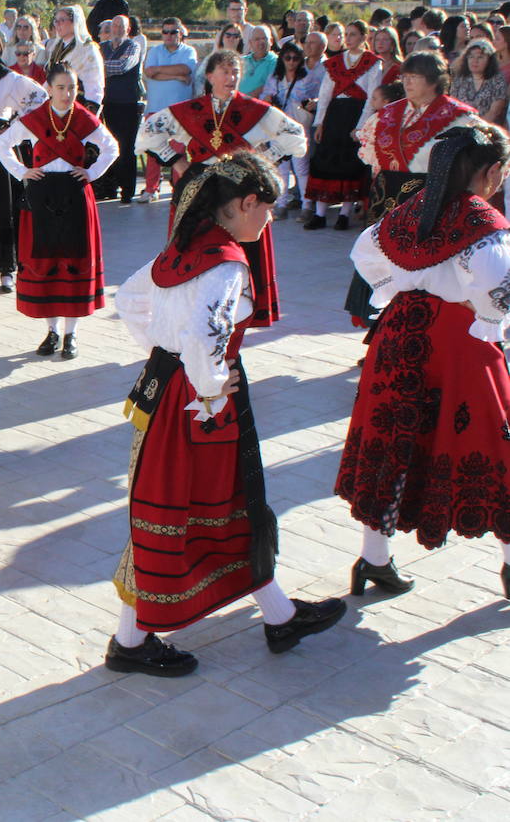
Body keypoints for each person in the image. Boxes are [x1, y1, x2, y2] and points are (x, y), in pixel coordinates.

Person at [108, 154, 346, 677]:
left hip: (165, 390)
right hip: (200, 404)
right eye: (268, 207)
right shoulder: (227, 262)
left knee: (205, 506)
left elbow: (128, 300)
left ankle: (279, 614)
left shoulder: (183, 250)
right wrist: (213, 383)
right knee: (187, 510)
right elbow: (205, 335)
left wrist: (162, 352)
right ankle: (131, 639)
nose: (272, 219)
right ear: (244, 203)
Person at [338, 123, 510, 604]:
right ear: (492, 172)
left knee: (390, 438)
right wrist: (488, 319)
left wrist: (400, 290)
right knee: (492, 444)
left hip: (399, 336)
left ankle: (373, 559)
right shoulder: (481, 220)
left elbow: (365, 253)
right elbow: (499, 282)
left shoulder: (412, 209)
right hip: (460, 342)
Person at [136, 49, 309, 330]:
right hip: (201, 192)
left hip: (238, 193)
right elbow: (148, 132)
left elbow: (295, 135)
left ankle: (238, 313)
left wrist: (263, 160)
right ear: (210, 76)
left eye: (236, 72)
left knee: (238, 250)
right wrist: (179, 162)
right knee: (197, 247)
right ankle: (191, 310)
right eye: (226, 71)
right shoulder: (191, 110)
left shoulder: (254, 110)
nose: (232, 77)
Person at [0, 62, 118, 359]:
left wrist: (92, 172)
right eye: (61, 87)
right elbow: (1, 144)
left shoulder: (85, 119)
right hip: (43, 195)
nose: (67, 93)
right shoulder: (33, 120)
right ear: (48, 89)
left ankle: (70, 335)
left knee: (72, 261)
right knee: (47, 261)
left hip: (74, 194)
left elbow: (112, 147)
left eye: (72, 88)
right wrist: (22, 171)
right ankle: (50, 332)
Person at [345, 52, 478, 327]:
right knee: (382, 262)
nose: (406, 81)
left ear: (433, 81)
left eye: (414, 76)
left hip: (430, 202)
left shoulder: (460, 117)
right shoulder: (390, 113)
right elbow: (371, 155)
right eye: (404, 76)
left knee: (420, 269)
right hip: (386, 201)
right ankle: (378, 336)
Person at [0, 30, 49, 292]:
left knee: (0, 204)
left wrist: (13, 127)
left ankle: (6, 266)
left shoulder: (5, 78)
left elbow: (40, 100)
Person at [306, 21, 381, 230]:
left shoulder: (373, 63)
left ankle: (343, 214)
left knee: (349, 163)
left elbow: (371, 97)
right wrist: (320, 123)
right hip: (335, 114)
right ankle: (320, 213)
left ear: (364, 37)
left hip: (356, 113)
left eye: (354, 34)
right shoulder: (335, 62)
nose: (348, 38)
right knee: (325, 160)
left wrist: (360, 127)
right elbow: (325, 93)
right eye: (346, 34)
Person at [138, 18, 197, 204]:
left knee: (178, 152)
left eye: (173, 32)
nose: (169, 35)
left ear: (181, 33)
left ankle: (179, 190)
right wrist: (177, 75)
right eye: (165, 32)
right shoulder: (155, 51)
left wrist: (162, 71)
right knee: (154, 151)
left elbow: (185, 69)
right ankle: (150, 189)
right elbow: (149, 73)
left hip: (181, 110)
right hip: (155, 108)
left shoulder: (189, 51)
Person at [259, 41, 321, 215]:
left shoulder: (307, 78)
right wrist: (269, 99)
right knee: (281, 168)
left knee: (301, 167)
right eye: (288, 58)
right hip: (277, 127)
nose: (291, 62)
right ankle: (282, 203)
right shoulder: (275, 78)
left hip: (298, 127)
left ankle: (307, 205)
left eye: (295, 58)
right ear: (282, 59)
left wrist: (311, 103)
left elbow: (318, 98)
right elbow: (264, 97)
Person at [100, 16, 144, 205]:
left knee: (127, 147)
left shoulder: (133, 46)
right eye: (114, 26)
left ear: (128, 29)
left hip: (127, 104)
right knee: (109, 145)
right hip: (108, 103)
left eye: (121, 26)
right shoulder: (102, 47)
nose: (117, 29)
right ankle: (110, 187)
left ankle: (127, 190)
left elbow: (123, 66)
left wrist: (102, 67)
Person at [44, 5, 105, 111]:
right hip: (55, 104)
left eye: (62, 20)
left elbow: (94, 85)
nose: (57, 24)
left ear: (74, 22)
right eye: (56, 21)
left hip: (77, 104)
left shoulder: (87, 49)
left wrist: (89, 112)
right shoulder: (56, 47)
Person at [449, 38, 508, 124]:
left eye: (480, 57)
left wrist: (477, 128)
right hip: (461, 128)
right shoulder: (459, 79)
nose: (474, 61)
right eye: (471, 57)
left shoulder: (498, 80)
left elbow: (495, 112)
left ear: (489, 60)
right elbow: (452, 107)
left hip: (488, 130)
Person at [240, 25, 277, 98]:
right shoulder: (241, 61)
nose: (261, 42)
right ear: (250, 43)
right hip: (236, 103)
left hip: (257, 104)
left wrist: (245, 99)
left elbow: (268, 86)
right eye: (257, 39)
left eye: (264, 38)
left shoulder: (276, 62)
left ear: (271, 41)